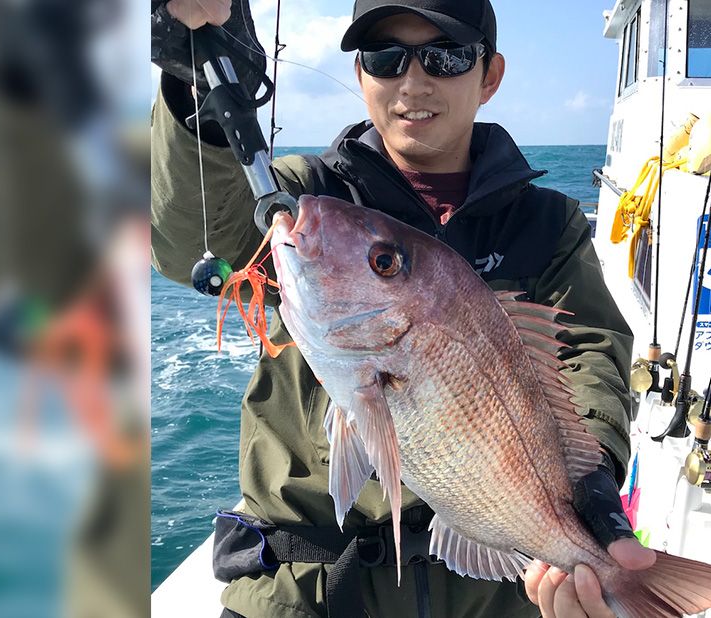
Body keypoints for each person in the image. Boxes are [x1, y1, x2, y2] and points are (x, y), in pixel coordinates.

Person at [151, 1, 655, 616]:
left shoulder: (547, 223)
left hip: (501, 591)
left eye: (444, 57)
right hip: (305, 587)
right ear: (361, 74)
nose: (412, 83)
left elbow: (591, 351)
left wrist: (592, 479)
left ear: (489, 76)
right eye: (385, 57)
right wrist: (195, 89)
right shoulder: (302, 197)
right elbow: (188, 242)